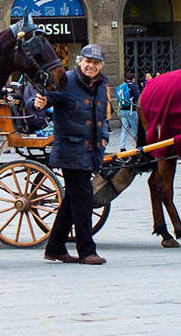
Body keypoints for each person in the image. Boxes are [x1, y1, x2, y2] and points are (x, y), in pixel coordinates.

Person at [38, 44, 109, 265]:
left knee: (71, 200)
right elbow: (47, 98)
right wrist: (39, 102)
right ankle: (87, 250)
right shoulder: (66, 81)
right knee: (83, 200)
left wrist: (104, 136)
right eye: (88, 61)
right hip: (71, 150)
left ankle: (55, 247)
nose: (91, 66)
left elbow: (102, 117)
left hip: (91, 151)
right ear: (79, 61)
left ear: (101, 66)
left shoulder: (100, 85)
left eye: (96, 63)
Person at [115, 73, 138, 152]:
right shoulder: (133, 86)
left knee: (124, 129)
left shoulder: (121, 86)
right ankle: (137, 145)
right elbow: (137, 97)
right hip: (131, 110)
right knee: (135, 128)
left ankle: (122, 147)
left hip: (122, 110)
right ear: (133, 79)